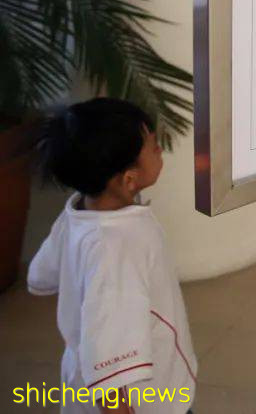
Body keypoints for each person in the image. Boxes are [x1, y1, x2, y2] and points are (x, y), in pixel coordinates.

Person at [28, 98, 197, 414]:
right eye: (153, 147)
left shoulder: (78, 212)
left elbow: (41, 276)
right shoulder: (118, 249)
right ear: (129, 179)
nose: (160, 150)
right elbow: (110, 382)